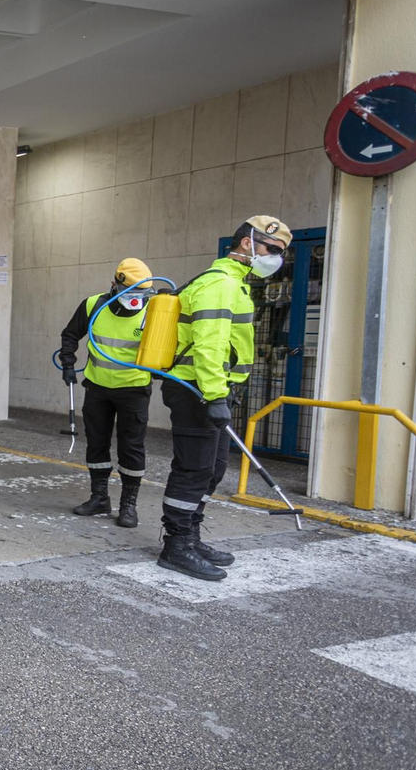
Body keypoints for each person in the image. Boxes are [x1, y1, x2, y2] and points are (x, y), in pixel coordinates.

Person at [159, 215, 292, 581]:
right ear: (247, 244)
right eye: (271, 249)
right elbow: (210, 345)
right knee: (194, 468)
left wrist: (225, 391)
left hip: (212, 390)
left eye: (281, 252)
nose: (276, 258)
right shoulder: (219, 285)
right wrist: (216, 394)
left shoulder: (235, 284)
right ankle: (176, 545)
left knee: (213, 468)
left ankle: (191, 534)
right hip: (195, 389)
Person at [58, 258, 156, 529]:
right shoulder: (93, 305)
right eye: (131, 292)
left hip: (134, 389)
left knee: (132, 447)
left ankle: (128, 505)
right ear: (115, 285)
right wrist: (68, 364)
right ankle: (99, 497)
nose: (136, 299)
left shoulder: (155, 310)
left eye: (141, 294)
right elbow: (70, 334)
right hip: (98, 388)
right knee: (97, 443)